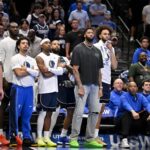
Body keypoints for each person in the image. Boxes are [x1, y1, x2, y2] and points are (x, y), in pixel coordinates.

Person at [69, 28, 103, 148]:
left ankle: (90, 138)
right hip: (83, 85)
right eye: (88, 32)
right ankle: (73, 138)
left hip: (95, 85)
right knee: (78, 112)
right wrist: (80, 86)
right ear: (84, 35)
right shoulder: (78, 48)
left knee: (95, 112)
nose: (91, 34)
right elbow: (75, 69)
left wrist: (101, 87)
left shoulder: (97, 51)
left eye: (92, 33)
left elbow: (99, 71)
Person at [9, 37, 39, 146]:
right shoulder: (15, 58)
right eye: (23, 43)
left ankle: (27, 137)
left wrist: (26, 69)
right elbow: (18, 73)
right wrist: (31, 71)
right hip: (18, 88)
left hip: (29, 89)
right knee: (15, 114)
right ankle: (13, 137)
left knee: (27, 114)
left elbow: (37, 74)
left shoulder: (32, 60)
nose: (25, 45)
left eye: (27, 43)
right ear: (18, 46)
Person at [36, 38, 65, 147]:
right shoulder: (39, 57)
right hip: (44, 88)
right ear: (42, 46)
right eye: (46, 43)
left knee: (50, 113)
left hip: (54, 88)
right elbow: (45, 74)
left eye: (49, 42)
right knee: (43, 113)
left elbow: (61, 71)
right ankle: (39, 137)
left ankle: (46, 137)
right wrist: (56, 70)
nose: (48, 44)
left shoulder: (57, 57)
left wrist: (51, 70)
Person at [94, 25, 117, 146]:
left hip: (107, 80)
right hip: (98, 80)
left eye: (108, 34)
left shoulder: (110, 48)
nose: (107, 36)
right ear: (99, 35)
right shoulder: (96, 46)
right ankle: (92, 136)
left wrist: (110, 49)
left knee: (101, 110)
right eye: (104, 34)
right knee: (96, 109)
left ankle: (95, 135)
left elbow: (114, 66)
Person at [0, 22, 19, 145]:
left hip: (18, 80)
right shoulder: (3, 42)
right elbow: (0, 62)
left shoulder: (21, 42)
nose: (15, 29)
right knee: (2, 106)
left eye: (17, 27)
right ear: (8, 29)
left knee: (15, 108)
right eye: (13, 27)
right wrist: (2, 78)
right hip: (6, 80)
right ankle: (1, 134)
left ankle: (13, 134)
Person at [118, 81, 150, 148]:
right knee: (127, 114)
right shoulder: (123, 96)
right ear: (127, 88)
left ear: (137, 88)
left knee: (147, 113)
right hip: (122, 121)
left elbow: (147, 105)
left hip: (136, 120)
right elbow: (125, 104)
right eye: (131, 86)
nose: (133, 88)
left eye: (135, 86)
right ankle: (124, 139)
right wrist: (133, 111)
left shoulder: (140, 96)